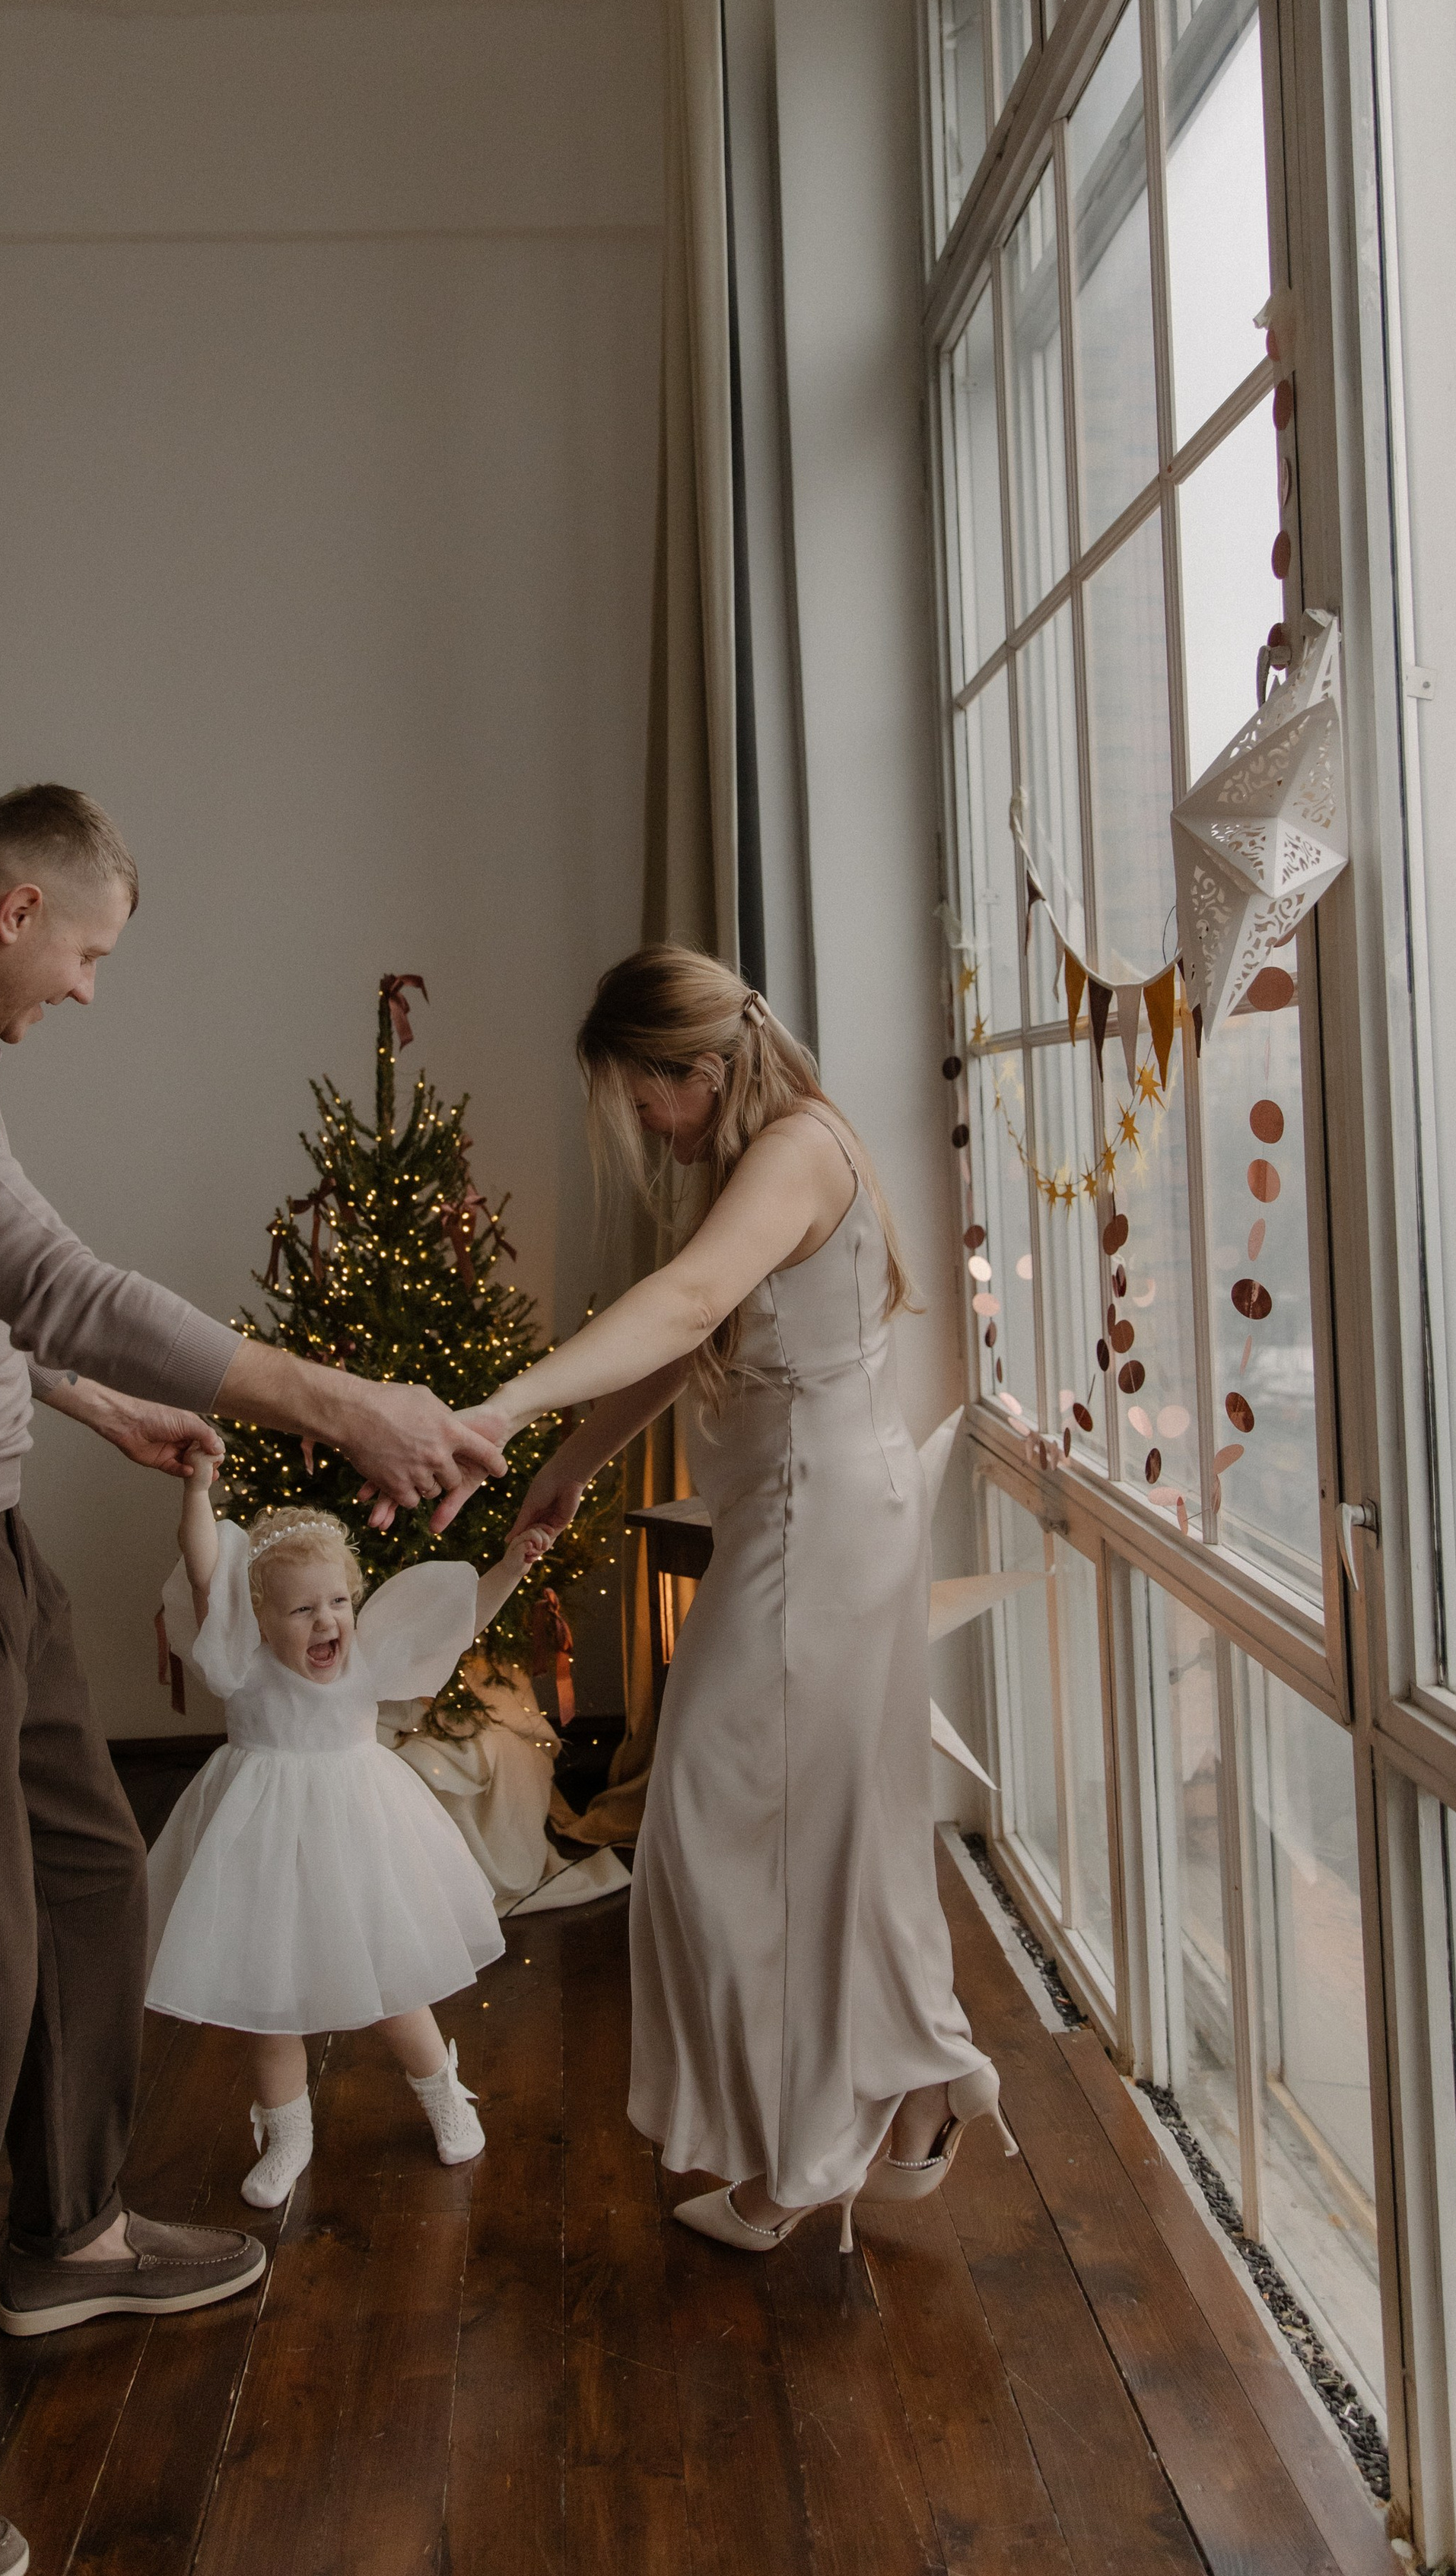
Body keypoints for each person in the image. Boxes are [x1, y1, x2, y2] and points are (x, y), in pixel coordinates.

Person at [0, 784, 504, 2576]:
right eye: (84, 952)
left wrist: (80, 1404)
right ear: (13, 910)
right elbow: (45, 1271)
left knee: (86, 1880)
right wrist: (333, 1398)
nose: (85, 989)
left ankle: (65, 2235)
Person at [466, 945, 1014, 2254]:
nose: (645, 1128)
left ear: (699, 1068)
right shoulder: (784, 1146)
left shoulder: (794, 1155)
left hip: (815, 1527)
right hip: (821, 1511)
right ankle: (915, 2086)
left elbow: (692, 1299)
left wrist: (503, 1403)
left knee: (713, 1829)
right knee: (842, 1827)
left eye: (643, 1098)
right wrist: (568, 1469)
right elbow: (697, 1337)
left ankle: (809, 2152)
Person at [146, 1446, 550, 2205]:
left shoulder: (364, 1657)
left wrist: (511, 1569)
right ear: (257, 1616)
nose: (325, 1621)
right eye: (301, 1610)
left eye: (336, 1602)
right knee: (266, 2008)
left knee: (395, 1987)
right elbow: (204, 1571)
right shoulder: (238, 1662)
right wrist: (198, 1491)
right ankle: (287, 2130)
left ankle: (440, 2094)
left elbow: (453, 1627)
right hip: (259, 1845)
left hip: (358, 1839)